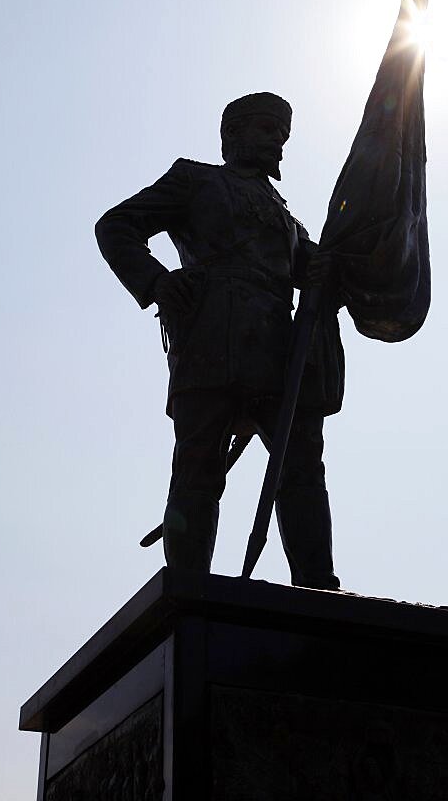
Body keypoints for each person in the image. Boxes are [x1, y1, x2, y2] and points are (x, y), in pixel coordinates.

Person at [95, 92, 344, 589]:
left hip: (277, 350)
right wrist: (158, 282)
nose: (278, 141)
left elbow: (313, 272)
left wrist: (328, 265)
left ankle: (318, 588)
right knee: (199, 467)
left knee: (301, 468)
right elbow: (115, 226)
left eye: (283, 134)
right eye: (267, 129)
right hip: (210, 339)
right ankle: (188, 588)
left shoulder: (284, 216)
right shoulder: (195, 180)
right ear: (233, 135)